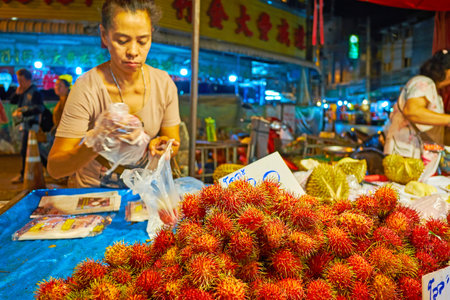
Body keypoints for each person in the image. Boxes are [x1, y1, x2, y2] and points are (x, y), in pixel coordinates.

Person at [47, 0, 180, 188]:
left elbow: (173, 143)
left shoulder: (164, 83)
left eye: (143, 41)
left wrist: (161, 146)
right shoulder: (87, 87)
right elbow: (55, 168)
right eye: (122, 40)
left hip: (145, 194)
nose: (133, 51)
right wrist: (96, 142)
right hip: (92, 197)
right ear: (104, 36)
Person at [384, 49, 450, 160]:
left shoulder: (434, 92)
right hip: (405, 157)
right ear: (446, 70)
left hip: (413, 157)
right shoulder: (423, 82)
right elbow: (412, 111)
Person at [10, 68, 45, 184]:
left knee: (27, 150)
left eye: (21, 80)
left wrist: (24, 112)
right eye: (18, 80)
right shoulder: (22, 91)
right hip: (25, 125)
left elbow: (40, 108)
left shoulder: (34, 92)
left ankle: (24, 175)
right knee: (35, 151)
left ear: (28, 80)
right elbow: (12, 101)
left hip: (32, 125)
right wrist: (17, 93)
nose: (19, 83)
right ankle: (51, 170)